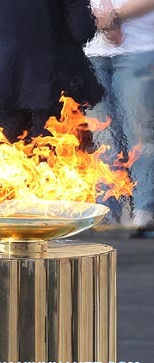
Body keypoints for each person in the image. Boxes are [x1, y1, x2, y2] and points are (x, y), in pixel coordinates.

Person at [0, 0, 104, 141]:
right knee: (58, 153)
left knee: (13, 152)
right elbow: (82, 30)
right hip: (56, 82)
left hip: (10, 79)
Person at [85, 0, 154, 236]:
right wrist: (99, 17)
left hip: (140, 48)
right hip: (92, 50)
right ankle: (106, 212)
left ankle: (146, 211)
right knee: (103, 141)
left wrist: (114, 16)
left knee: (139, 133)